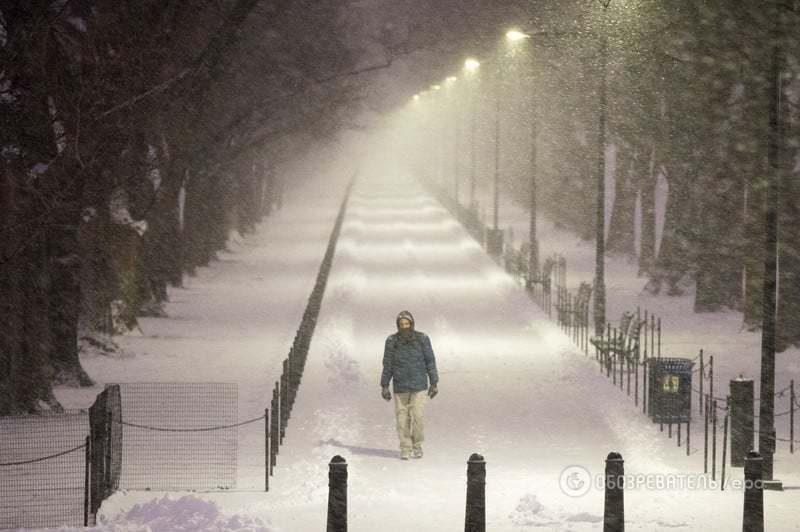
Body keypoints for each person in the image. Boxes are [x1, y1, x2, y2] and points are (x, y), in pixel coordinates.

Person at [380, 310, 439, 460]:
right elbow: (388, 364)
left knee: (418, 416)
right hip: (400, 386)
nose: (404, 327)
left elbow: (430, 361)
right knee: (402, 419)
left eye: (407, 324)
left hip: (419, 385)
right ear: (398, 326)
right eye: (401, 325)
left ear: (412, 324)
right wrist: (385, 385)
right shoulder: (392, 341)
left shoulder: (422, 339)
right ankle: (405, 447)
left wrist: (434, 382)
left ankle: (417, 445)